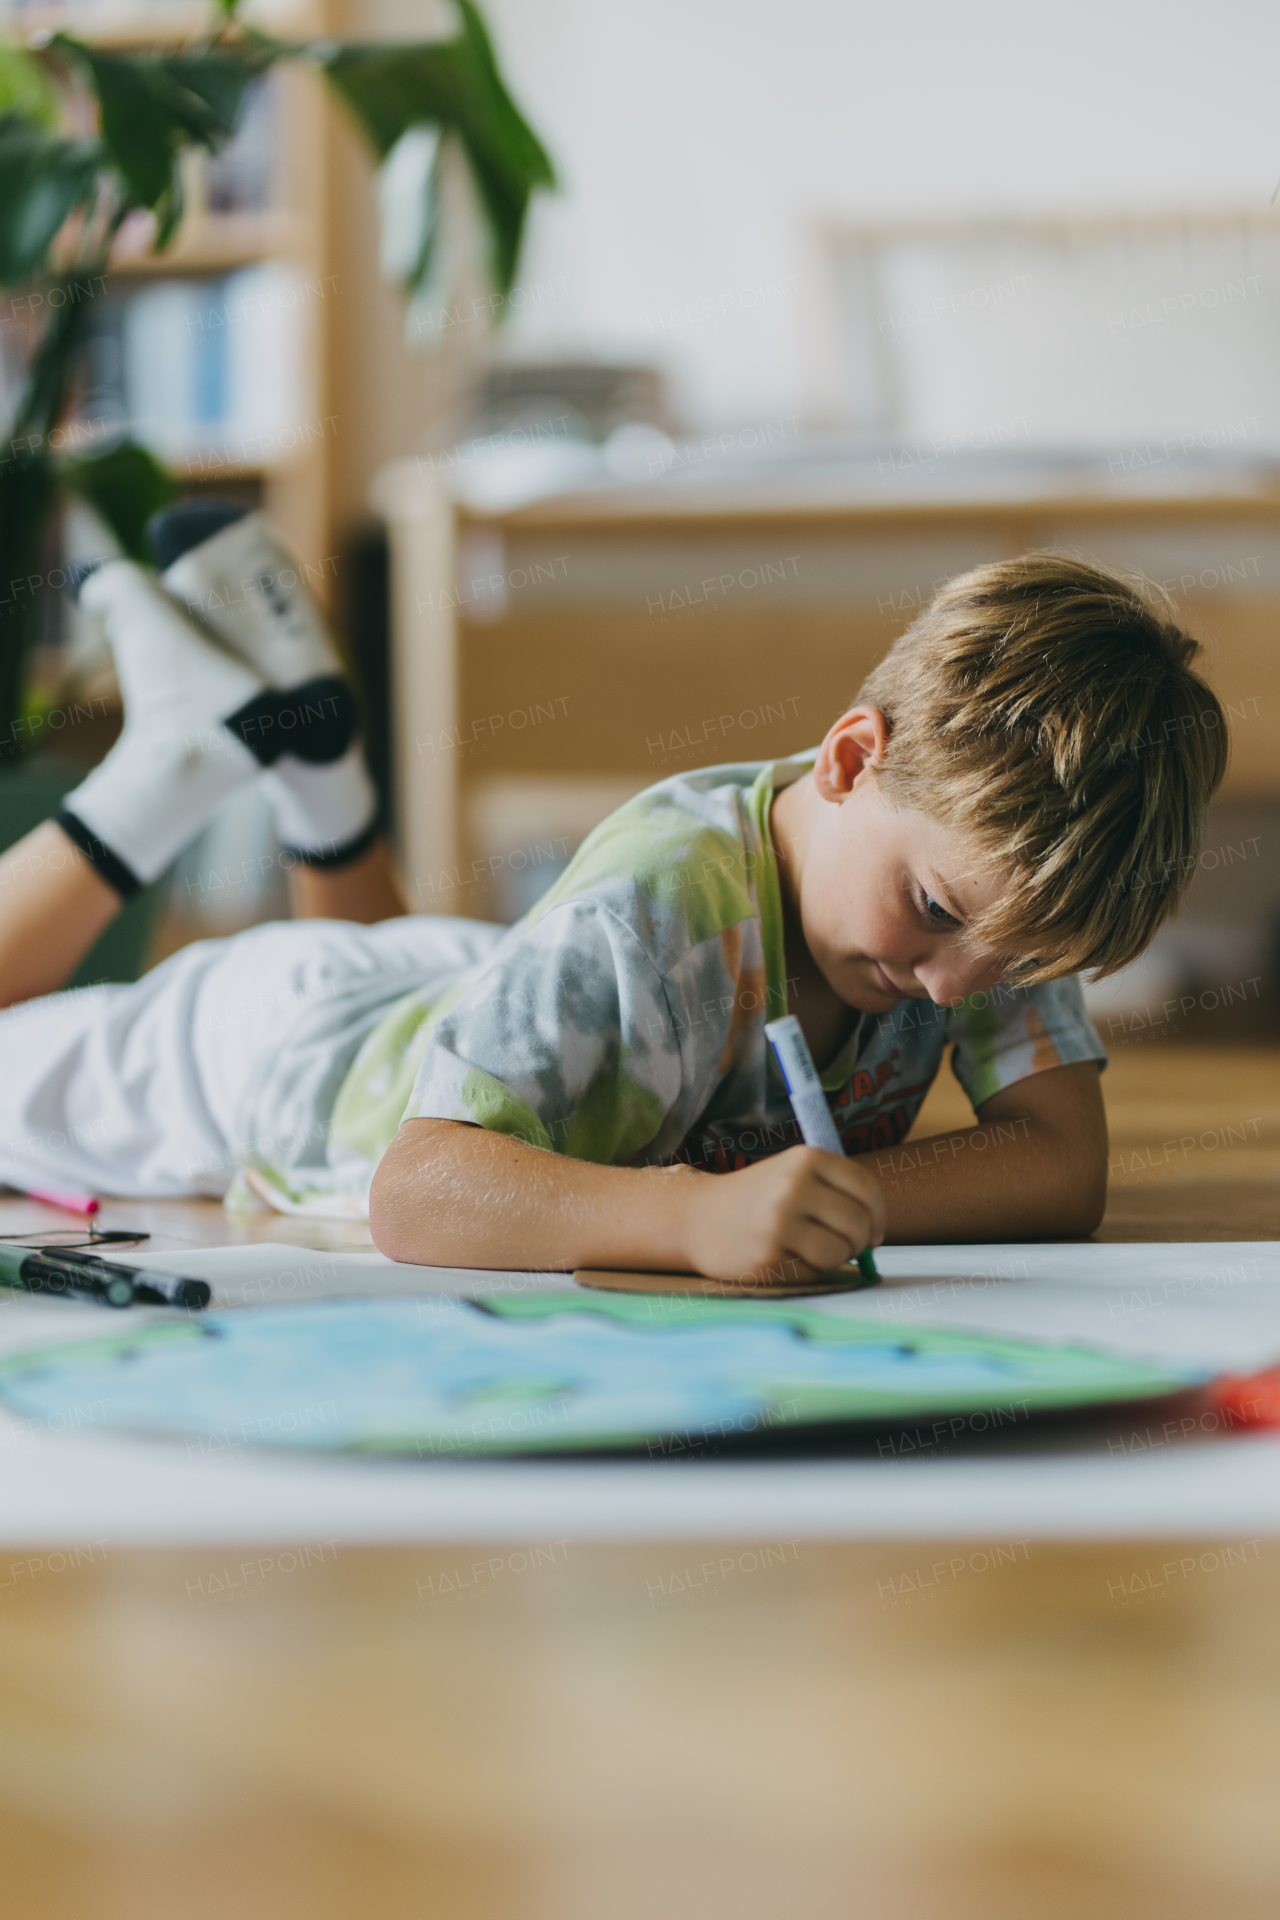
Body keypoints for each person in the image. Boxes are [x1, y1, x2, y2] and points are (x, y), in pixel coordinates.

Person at [0, 526, 1227, 1283]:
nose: (955, 987)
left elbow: (1059, 1170)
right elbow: (417, 1187)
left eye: (1011, 965)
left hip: (494, 993)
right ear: (851, 756)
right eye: (937, 916)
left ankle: (309, 760)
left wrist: (822, 1205)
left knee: (425, 975)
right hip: (283, 1057)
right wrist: (693, 1221)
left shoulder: (1003, 880)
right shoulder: (659, 899)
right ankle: (172, 764)